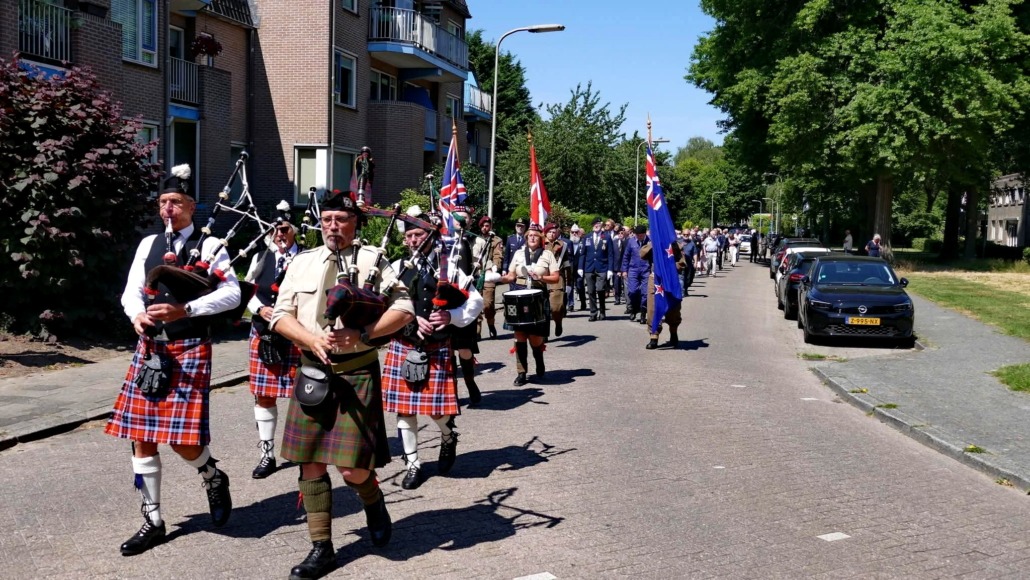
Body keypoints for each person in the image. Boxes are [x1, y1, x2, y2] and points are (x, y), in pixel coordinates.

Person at [270, 190, 415, 580]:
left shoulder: (373, 260)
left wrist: (363, 335)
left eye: (341, 219)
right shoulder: (302, 261)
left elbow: (404, 309)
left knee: (352, 471)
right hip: (312, 372)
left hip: (356, 372)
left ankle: (373, 500)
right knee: (310, 462)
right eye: (327, 220)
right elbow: (280, 315)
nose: (333, 227)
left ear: (356, 223)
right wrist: (309, 339)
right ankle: (322, 547)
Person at [106, 164, 241, 556]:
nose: (168, 208)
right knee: (141, 436)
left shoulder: (210, 245)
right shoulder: (148, 244)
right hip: (151, 348)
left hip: (190, 348)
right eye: (164, 201)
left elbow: (232, 294)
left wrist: (187, 310)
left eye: (176, 202)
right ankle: (153, 520)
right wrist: (136, 315)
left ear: (191, 207)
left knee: (183, 442)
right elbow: (131, 291)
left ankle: (212, 475)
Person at [382, 211, 483, 490]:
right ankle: (412, 464)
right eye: (409, 235)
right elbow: (383, 302)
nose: (413, 240)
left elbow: (475, 301)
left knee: (437, 412)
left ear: (430, 236)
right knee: (404, 410)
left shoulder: (448, 267)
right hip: (404, 344)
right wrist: (410, 317)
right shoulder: (396, 267)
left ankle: (448, 436)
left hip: (436, 347)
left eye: (419, 234)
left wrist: (452, 316)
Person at [243, 217, 302, 479]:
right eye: (274, 230)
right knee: (264, 396)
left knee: (304, 395)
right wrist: (259, 309)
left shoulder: (306, 258)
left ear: (294, 231)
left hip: (297, 334)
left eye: (284, 229)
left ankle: (304, 449)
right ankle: (267, 454)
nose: (279, 234)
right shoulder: (261, 257)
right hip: (264, 333)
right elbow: (247, 289)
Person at [499, 224, 561, 386]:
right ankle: (521, 372)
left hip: (538, 296)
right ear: (526, 238)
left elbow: (555, 277)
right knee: (519, 335)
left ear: (540, 239)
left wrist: (541, 278)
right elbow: (511, 275)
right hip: (518, 295)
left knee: (535, 338)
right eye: (530, 235)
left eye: (535, 235)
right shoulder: (519, 253)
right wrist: (498, 278)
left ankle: (539, 360)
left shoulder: (547, 254)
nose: (532, 237)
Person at [448, 205, 483, 407]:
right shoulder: (443, 241)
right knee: (447, 348)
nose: (461, 220)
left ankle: (470, 382)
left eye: (465, 218)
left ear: (470, 221)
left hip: (466, 299)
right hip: (446, 299)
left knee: (464, 348)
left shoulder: (476, 242)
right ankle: (451, 389)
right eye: (457, 217)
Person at [642, 237, 686, 350]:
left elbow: (682, 263)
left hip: (671, 279)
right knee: (652, 308)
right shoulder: (652, 244)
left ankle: (673, 331)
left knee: (673, 308)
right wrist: (653, 244)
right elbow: (642, 254)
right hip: (655, 279)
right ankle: (654, 336)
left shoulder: (675, 245)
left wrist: (670, 267)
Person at [577, 217, 615, 321]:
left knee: (600, 289)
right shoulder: (587, 237)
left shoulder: (606, 237)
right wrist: (580, 267)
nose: (596, 226)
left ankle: (602, 311)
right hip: (589, 267)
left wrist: (610, 269)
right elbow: (583, 254)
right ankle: (593, 313)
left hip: (602, 267)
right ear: (592, 226)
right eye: (595, 224)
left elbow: (610, 254)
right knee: (591, 291)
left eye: (598, 224)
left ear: (601, 225)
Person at [472, 215, 504, 339]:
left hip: (488, 273)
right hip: (476, 274)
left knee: (488, 304)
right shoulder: (475, 239)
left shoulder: (495, 240)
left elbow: (498, 255)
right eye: (483, 226)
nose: (485, 228)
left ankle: (491, 325)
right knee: (476, 303)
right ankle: (477, 331)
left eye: (487, 225)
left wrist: (495, 266)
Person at [544, 223, 572, 336]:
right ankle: (544, 333)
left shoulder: (562, 245)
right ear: (545, 233)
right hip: (542, 277)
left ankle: (558, 322)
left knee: (556, 307)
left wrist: (569, 282)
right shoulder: (540, 244)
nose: (552, 234)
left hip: (557, 278)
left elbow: (567, 264)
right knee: (543, 308)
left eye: (554, 232)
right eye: (549, 232)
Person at [622, 225, 651, 322]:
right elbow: (626, 256)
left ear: (645, 234)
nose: (639, 237)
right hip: (633, 269)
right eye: (637, 235)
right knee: (632, 291)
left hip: (646, 269)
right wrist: (624, 270)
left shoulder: (650, 242)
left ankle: (643, 312)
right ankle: (634, 309)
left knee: (645, 293)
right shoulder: (631, 241)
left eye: (641, 235)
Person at [568, 224, 586, 311]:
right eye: (572, 232)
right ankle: (570, 304)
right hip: (570, 268)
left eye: (576, 232)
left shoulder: (583, 242)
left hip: (580, 268)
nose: (574, 234)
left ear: (579, 233)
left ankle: (583, 302)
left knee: (580, 285)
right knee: (570, 286)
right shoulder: (567, 243)